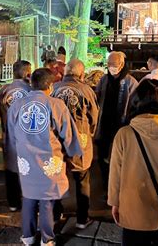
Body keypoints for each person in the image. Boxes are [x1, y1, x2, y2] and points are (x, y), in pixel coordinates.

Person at [108, 79, 158, 246]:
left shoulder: (125, 134)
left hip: (134, 210)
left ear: (135, 102)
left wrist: (115, 202)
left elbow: (115, 174)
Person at [7, 68, 82, 246]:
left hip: (25, 159)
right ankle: (47, 238)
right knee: (46, 199)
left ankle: (27, 236)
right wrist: (73, 153)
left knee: (28, 197)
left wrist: (13, 156)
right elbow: (68, 134)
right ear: (50, 84)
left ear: (31, 83)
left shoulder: (17, 105)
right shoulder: (55, 104)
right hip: (49, 158)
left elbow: (11, 135)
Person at [52, 58, 99, 229]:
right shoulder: (86, 90)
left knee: (57, 176)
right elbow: (94, 118)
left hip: (57, 141)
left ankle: (56, 213)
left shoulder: (53, 89)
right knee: (82, 179)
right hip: (80, 140)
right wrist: (90, 133)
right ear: (81, 73)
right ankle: (82, 218)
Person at [95, 51, 138, 191]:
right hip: (105, 125)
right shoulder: (104, 80)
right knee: (103, 157)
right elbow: (97, 96)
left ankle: (119, 188)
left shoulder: (131, 82)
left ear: (122, 64)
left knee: (120, 159)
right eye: (109, 64)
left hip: (122, 125)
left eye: (114, 64)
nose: (111, 67)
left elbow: (135, 105)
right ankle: (106, 186)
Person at [0, 60, 32, 211]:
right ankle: (30, 199)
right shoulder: (31, 91)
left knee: (11, 168)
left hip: (9, 134)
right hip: (28, 137)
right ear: (27, 73)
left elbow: (0, 113)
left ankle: (13, 202)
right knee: (29, 168)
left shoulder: (4, 91)